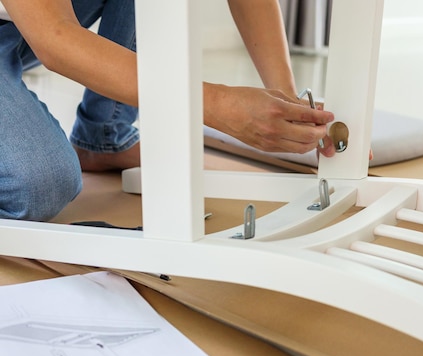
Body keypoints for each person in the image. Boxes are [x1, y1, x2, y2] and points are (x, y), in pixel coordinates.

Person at [0, 0, 335, 221]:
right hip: (42, 23)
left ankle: (104, 134)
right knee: (40, 188)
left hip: (25, 19)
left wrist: (289, 104)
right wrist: (216, 106)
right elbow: (55, 40)